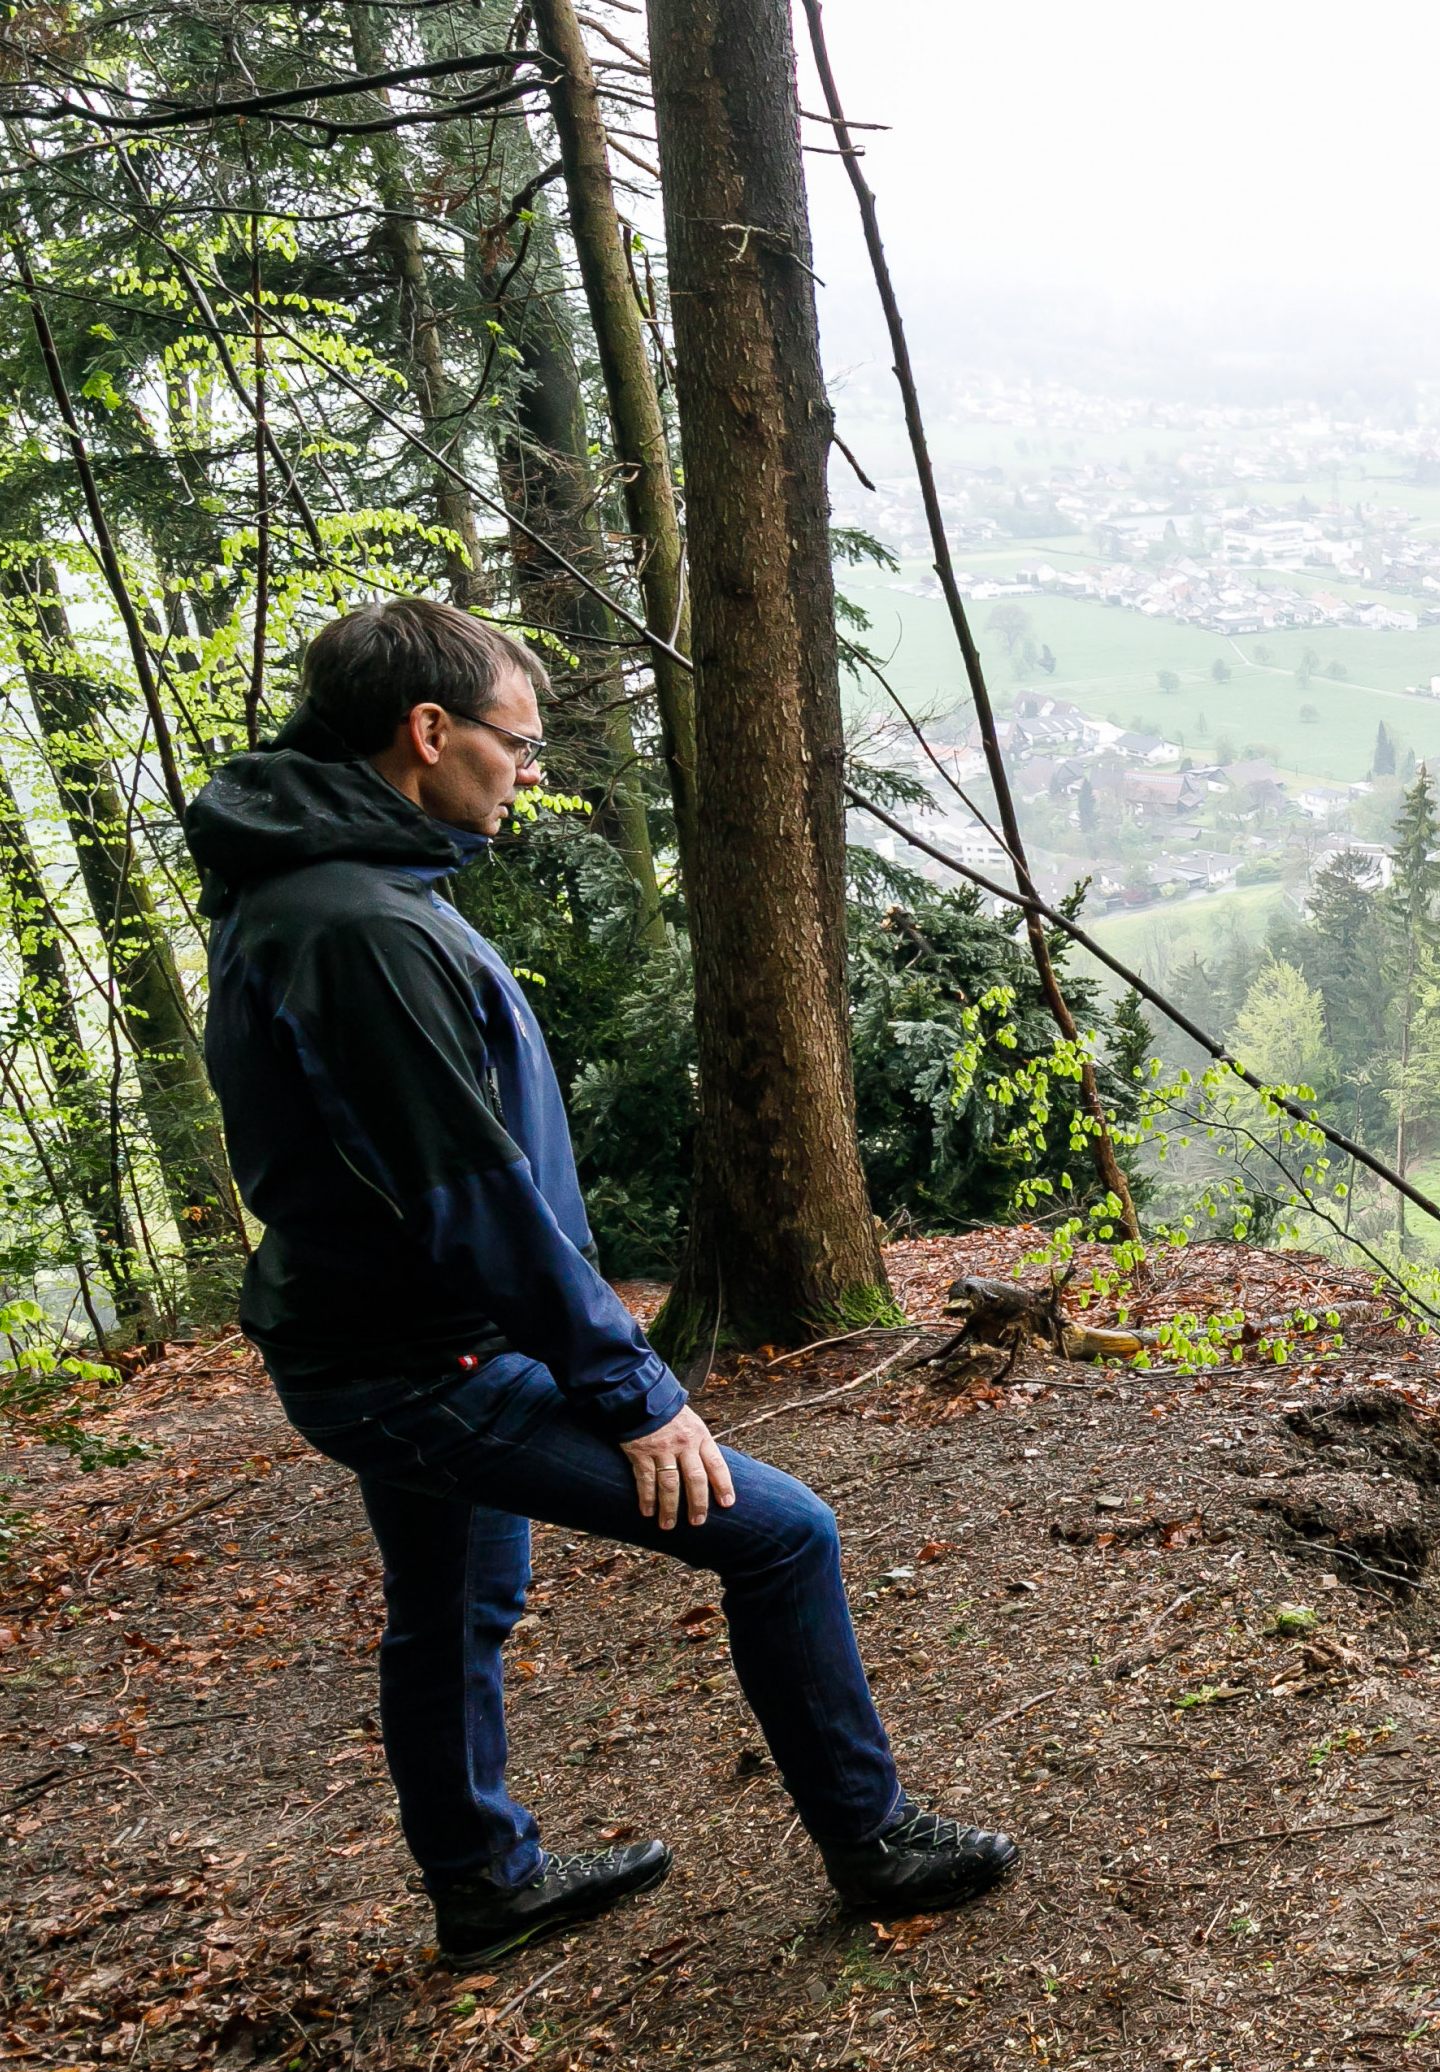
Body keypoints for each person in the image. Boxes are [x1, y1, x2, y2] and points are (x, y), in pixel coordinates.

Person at [186, 599, 1015, 1960]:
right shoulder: (358, 928)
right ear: (428, 732)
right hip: (428, 1364)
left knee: (456, 1603)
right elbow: (471, 1197)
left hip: (382, 1338)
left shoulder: (331, 894)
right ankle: (873, 1844)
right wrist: (632, 1391)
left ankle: (482, 1885)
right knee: (783, 1533)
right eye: (517, 742)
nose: (528, 770)